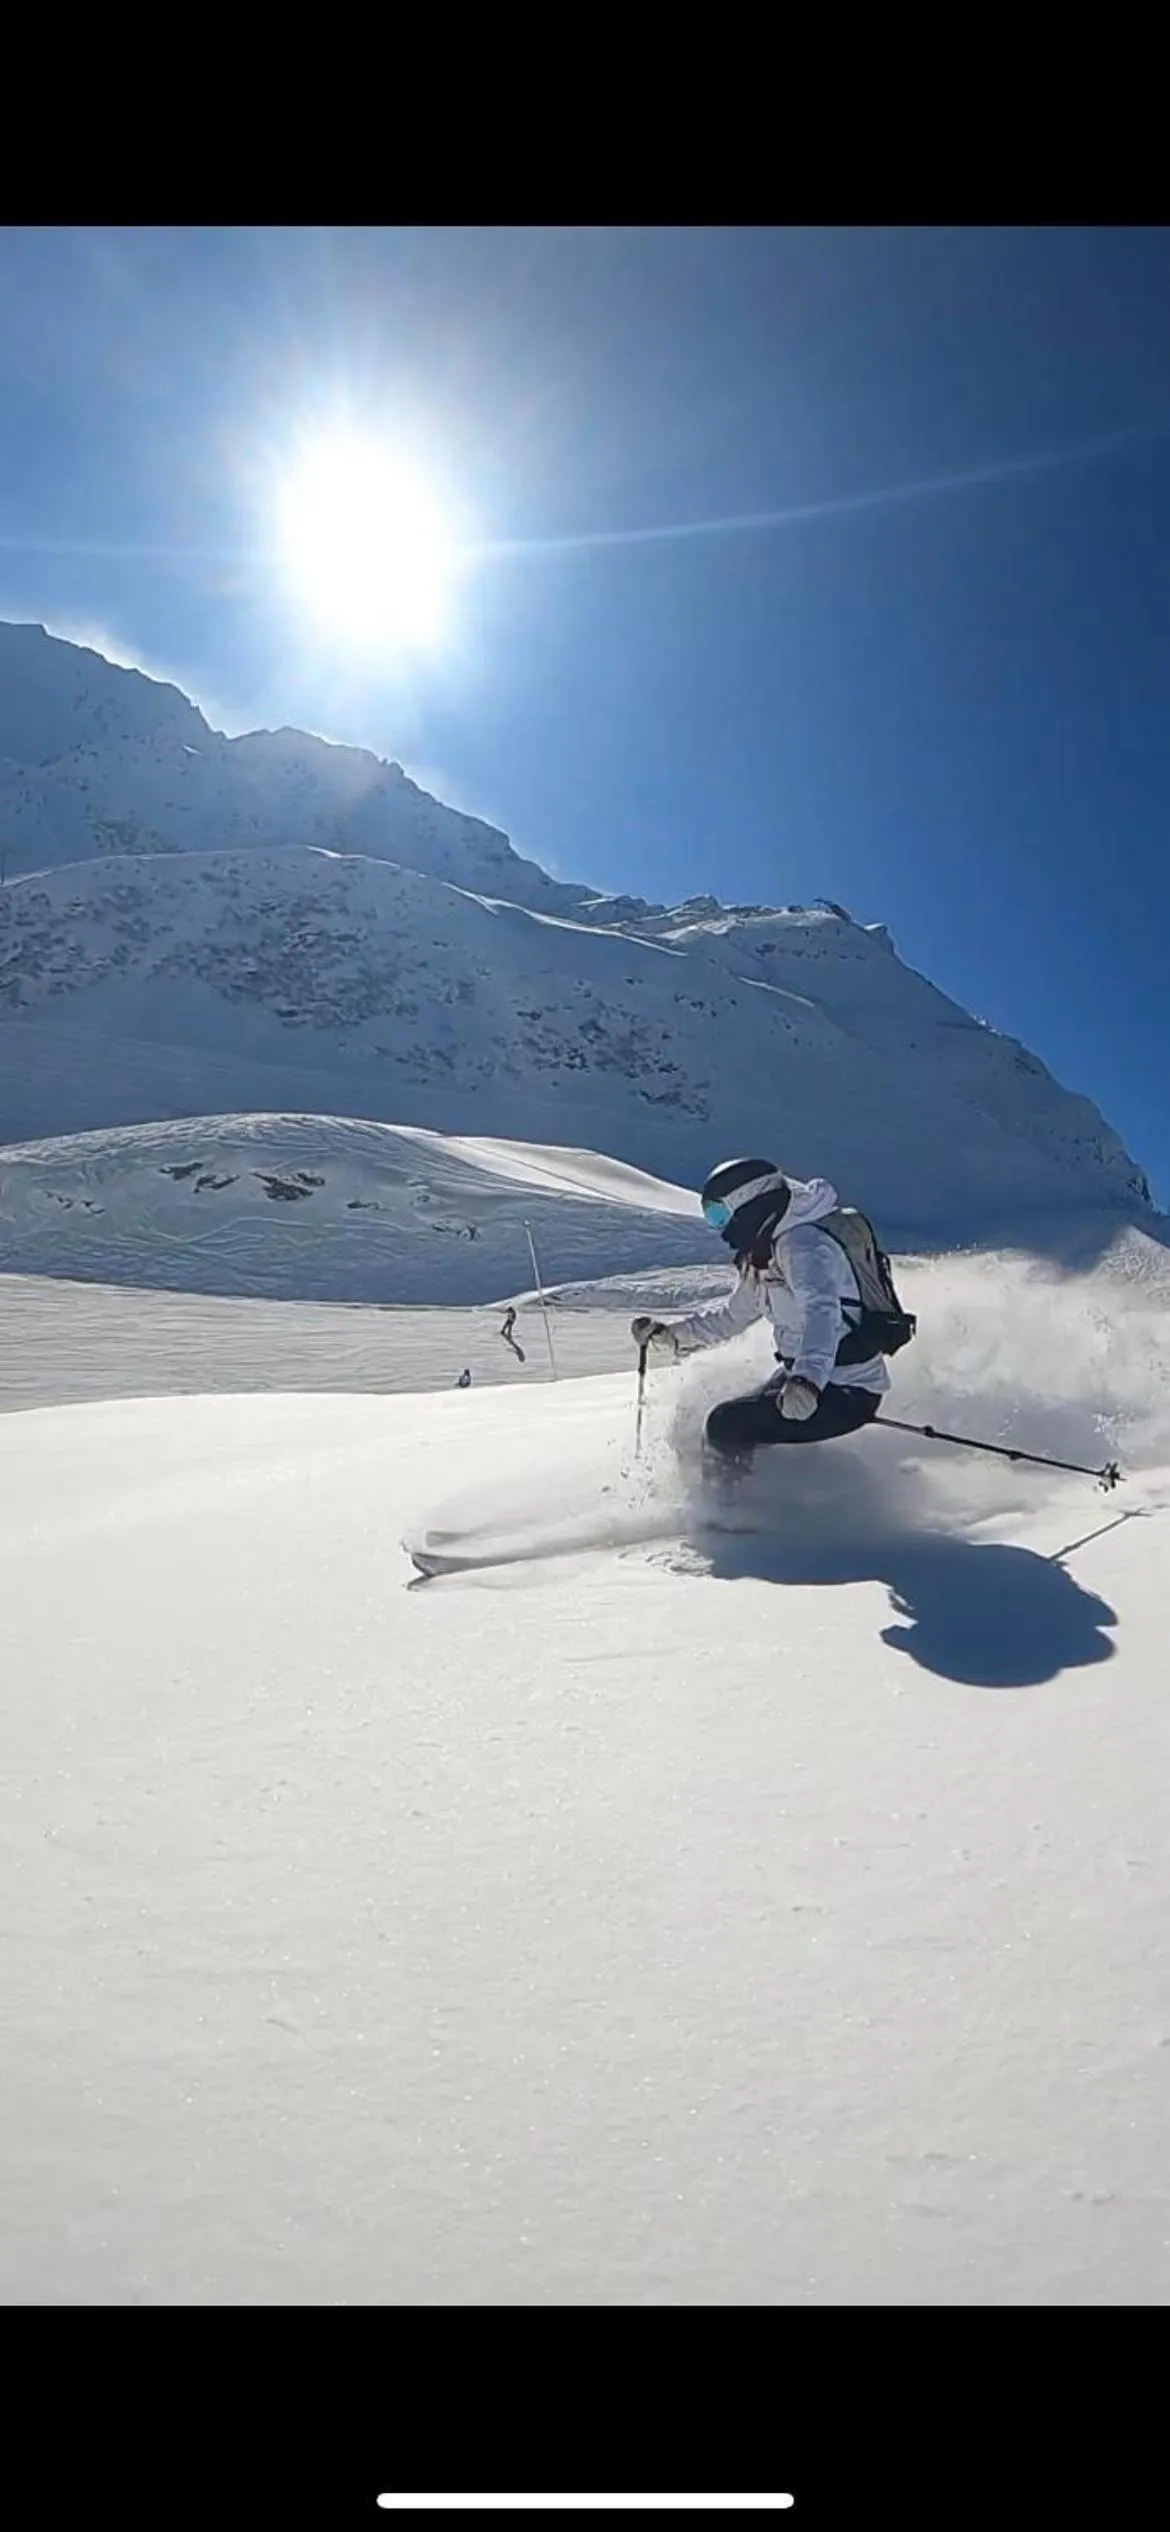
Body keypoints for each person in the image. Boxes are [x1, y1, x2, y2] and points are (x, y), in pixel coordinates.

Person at [631, 1156, 892, 1480]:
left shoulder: (803, 1246)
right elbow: (732, 1316)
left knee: (726, 1425)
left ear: (750, 1204)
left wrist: (808, 1382)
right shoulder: (766, 1252)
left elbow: (822, 1312)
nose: (719, 1227)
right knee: (712, 1419)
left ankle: (731, 1518)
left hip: (847, 1388)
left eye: (719, 1215)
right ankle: (744, 1499)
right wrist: (672, 1335)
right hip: (805, 1379)